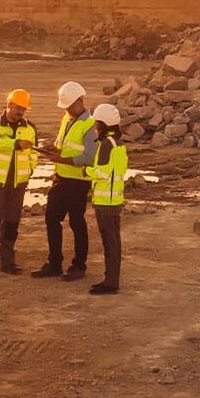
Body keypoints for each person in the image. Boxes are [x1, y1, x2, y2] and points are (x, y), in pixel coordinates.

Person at [31, 81, 96, 281]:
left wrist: (61, 159)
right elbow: (65, 145)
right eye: (65, 106)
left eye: (69, 105)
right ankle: (55, 263)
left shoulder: (90, 125)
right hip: (60, 178)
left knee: (77, 223)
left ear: (80, 101)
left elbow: (88, 157)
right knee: (52, 218)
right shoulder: (67, 118)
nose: (67, 109)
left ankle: (79, 266)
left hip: (77, 182)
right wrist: (55, 149)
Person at [0, 89, 38, 278]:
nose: (20, 111)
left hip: (18, 184)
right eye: (17, 107)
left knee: (12, 223)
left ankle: (8, 262)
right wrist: (16, 143)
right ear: (8, 104)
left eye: (23, 108)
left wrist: (29, 171)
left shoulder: (30, 128)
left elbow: (34, 154)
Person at [86, 103, 128, 295]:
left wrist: (86, 171)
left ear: (102, 124)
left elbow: (102, 173)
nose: (95, 128)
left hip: (105, 202)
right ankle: (111, 279)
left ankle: (111, 283)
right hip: (115, 200)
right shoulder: (118, 144)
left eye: (96, 124)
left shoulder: (105, 146)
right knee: (114, 242)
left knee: (109, 243)